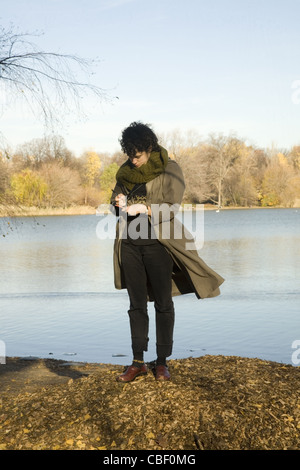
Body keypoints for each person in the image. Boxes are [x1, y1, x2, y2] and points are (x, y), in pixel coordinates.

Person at [111, 121, 224, 382]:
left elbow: (172, 207)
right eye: (129, 155)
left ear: (149, 148)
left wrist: (145, 209)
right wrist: (117, 204)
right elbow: (115, 202)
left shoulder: (170, 169)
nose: (133, 160)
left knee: (164, 303)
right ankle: (137, 362)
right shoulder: (124, 173)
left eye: (137, 155)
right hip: (129, 244)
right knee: (135, 305)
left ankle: (161, 363)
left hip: (159, 244)